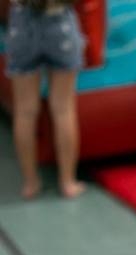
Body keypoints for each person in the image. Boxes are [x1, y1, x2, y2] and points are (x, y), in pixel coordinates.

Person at [4, 0, 86, 199]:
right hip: (59, 18)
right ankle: (67, 182)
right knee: (63, 109)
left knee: (24, 111)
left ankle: (30, 183)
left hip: (22, 22)